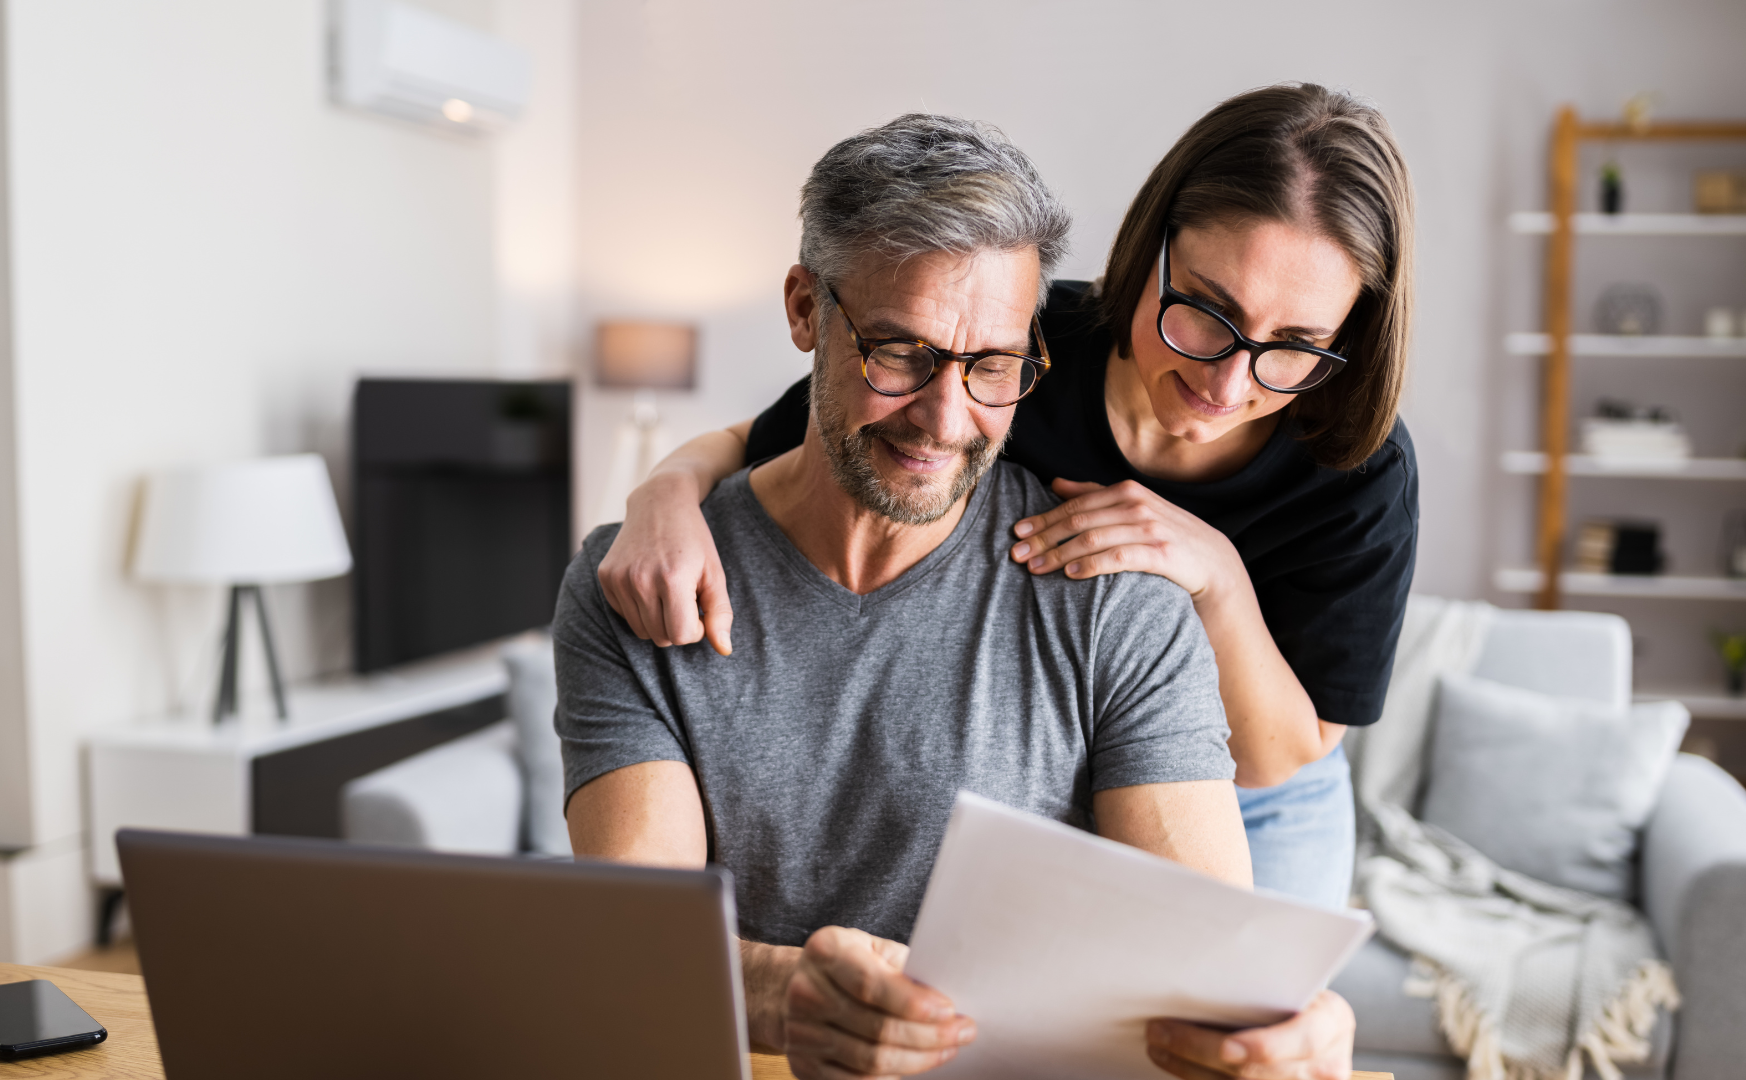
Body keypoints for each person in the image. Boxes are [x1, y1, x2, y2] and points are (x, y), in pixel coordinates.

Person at [559, 114, 1355, 1080]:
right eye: (899, 353)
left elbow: (1211, 976)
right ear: (806, 310)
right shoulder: (639, 588)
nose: (946, 419)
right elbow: (633, 950)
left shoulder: (1120, 603)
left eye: (993, 367)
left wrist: (1292, 1036)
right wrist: (781, 994)